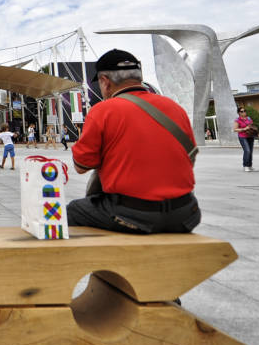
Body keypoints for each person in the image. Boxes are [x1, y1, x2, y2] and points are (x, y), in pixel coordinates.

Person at [68, 49, 200, 234]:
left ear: (105, 82)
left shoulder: (103, 110)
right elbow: (190, 156)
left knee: (72, 211)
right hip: (186, 213)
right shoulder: (174, 108)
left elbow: (81, 166)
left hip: (131, 215)